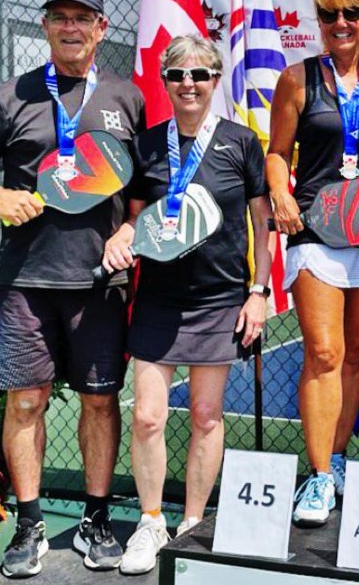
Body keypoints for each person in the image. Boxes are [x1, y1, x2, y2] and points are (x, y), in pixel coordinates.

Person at [0, 0, 145, 577]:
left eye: (83, 18)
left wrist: (129, 231)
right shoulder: (11, 96)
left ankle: (96, 518)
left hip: (100, 284)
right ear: (46, 25)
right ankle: (28, 528)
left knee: (101, 402)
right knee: (24, 401)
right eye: (60, 17)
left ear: (101, 28)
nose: (71, 27)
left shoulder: (126, 98)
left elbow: (144, 188)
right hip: (26, 281)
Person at [99, 35, 272, 574]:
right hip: (159, 299)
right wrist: (121, 237)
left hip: (221, 298)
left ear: (216, 80)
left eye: (199, 74)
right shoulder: (147, 145)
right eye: (177, 75)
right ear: (166, 83)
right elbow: (133, 216)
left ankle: (192, 524)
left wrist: (259, 291)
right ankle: (151, 522)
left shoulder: (241, 142)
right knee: (148, 417)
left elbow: (262, 224)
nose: (189, 84)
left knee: (204, 415)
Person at [266, 0, 359, 527]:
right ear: (317, 19)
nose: (340, 24)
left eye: (352, 14)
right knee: (323, 352)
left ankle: (337, 459)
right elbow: (276, 151)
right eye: (328, 14)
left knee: (355, 354)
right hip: (315, 230)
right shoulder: (297, 79)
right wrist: (279, 192)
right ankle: (318, 476)